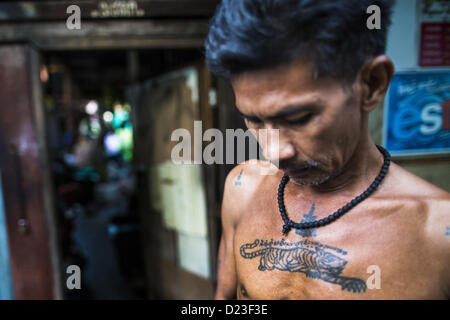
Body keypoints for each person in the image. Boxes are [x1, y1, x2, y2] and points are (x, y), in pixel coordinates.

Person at [205, 0, 450, 299]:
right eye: (253, 119)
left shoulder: (438, 232)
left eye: (298, 119)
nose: (273, 152)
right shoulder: (243, 189)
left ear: (372, 84)